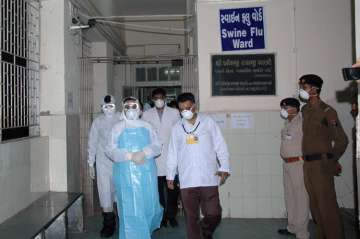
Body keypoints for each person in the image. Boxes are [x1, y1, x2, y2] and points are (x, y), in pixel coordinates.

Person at [166, 92, 230, 239]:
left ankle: (205, 231)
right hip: (187, 180)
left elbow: (221, 146)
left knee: (214, 214)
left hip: (208, 177)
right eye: (182, 110)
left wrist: (224, 168)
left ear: (194, 106)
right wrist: (170, 175)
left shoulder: (208, 122)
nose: (185, 112)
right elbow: (172, 153)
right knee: (191, 217)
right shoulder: (177, 128)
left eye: (188, 108)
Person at [299, 74, 349, 239]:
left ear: (314, 89)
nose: (301, 90)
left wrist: (332, 160)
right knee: (316, 206)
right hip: (308, 165)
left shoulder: (328, 111)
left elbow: (342, 140)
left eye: (304, 87)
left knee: (327, 206)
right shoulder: (305, 110)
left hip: (322, 164)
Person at [106, 96, 163, 239]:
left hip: (147, 174)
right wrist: (129, 156)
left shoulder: (147, 126)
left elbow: (157, 146)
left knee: (148, 207)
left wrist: (145, 152)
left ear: (139, 109)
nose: (130, 110)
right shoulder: (117, 128)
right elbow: (110, 150)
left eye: (133, 106)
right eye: (127, 107)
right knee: (129, 209)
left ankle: (145, 234)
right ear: (123, 109)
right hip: (125, 175)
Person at [142, 88, 181, 228]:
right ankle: (162, 216)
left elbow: (179, 133)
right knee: (157, 191)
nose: (159, 100)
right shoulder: (146, 115)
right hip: (154, 159)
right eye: (156, 98)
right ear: (152, 99)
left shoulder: (175, 113)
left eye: (161, 97)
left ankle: (172, 215)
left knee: (172, 191)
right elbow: (144, 135)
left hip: (171, 157)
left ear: (165, 98)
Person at [87, 94, 122, 238]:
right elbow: (92, 142)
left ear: (115, 106)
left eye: (111, 106)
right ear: (102, 107)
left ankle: (125, 223)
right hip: (103, 163)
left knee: (121, 193)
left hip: (121, 162)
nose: (108, 109)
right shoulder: (98, 122)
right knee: (105, 193)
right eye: (105, 106)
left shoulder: (122, 118)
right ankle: (108, 224)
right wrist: (90, 163)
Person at [278, 98, 309, 239]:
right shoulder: (288, 123)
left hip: (298, 164)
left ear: (295, 108)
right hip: (287, 164)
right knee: (290, 196)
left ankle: (302, 233)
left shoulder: (302, 123)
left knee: (301, 197)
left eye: (286, 107)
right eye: (282, 107)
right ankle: (292, 227)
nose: (283, 109)